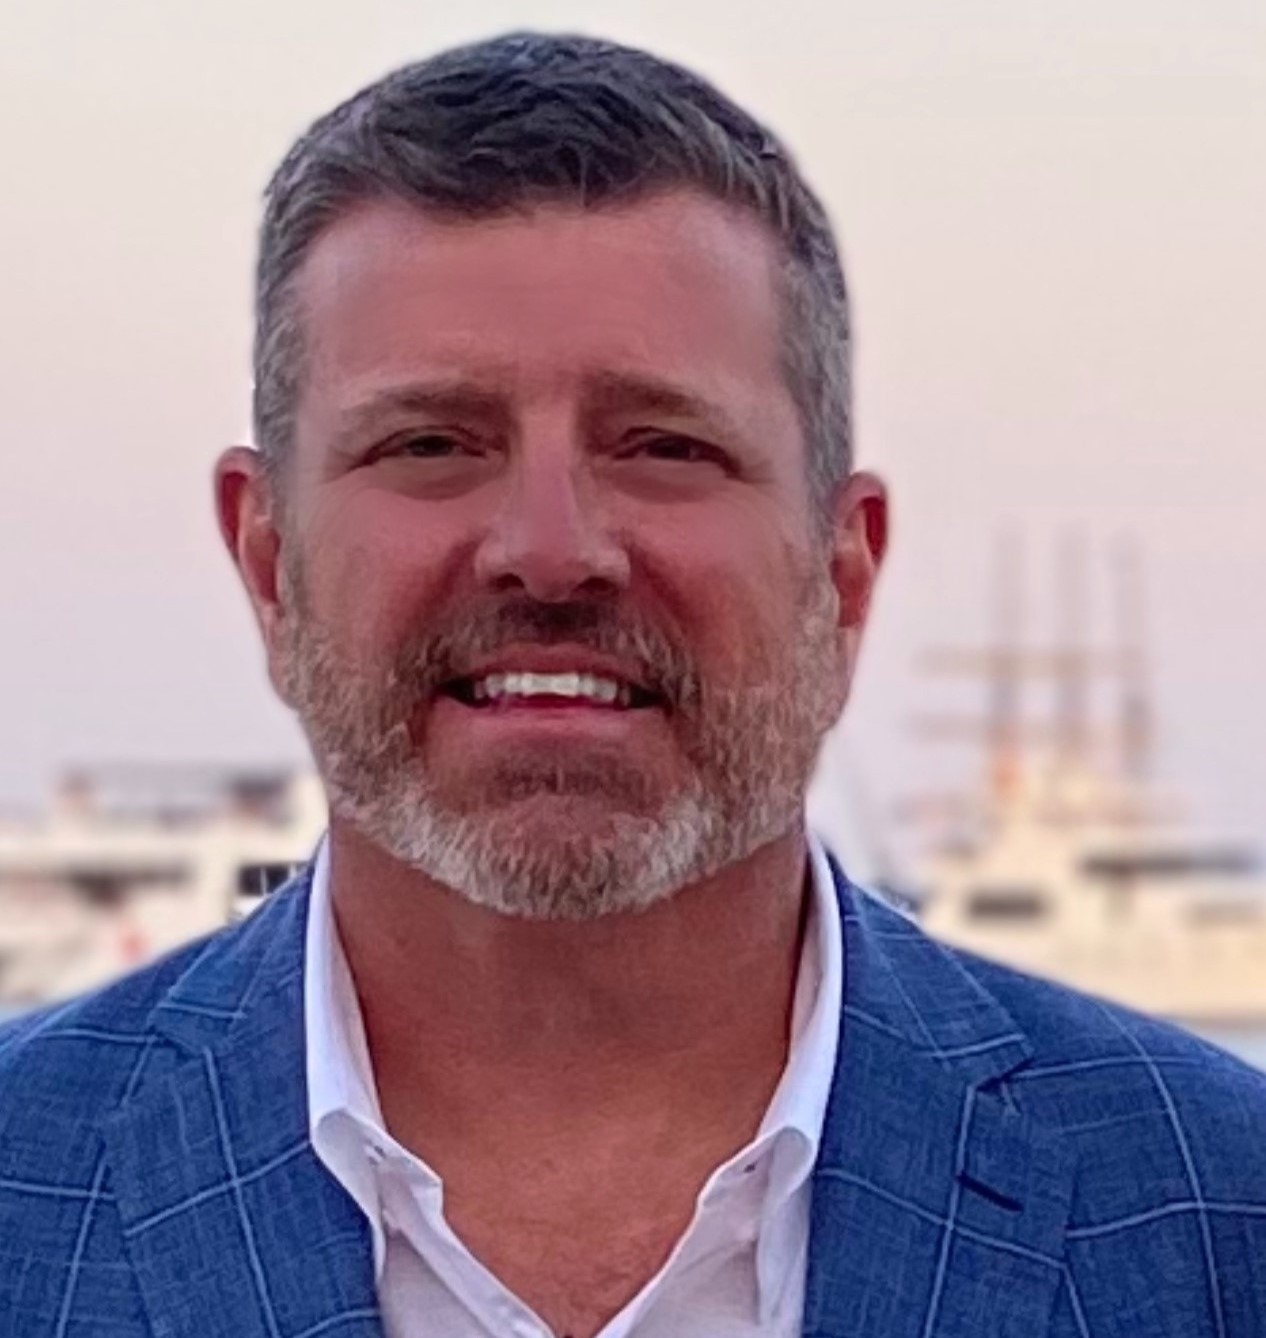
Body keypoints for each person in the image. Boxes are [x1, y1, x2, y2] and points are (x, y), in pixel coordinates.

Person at [1, 31, 1263, 1338]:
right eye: (431, 443)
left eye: (661, 445)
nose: (551, 550)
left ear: (841, 577)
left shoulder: (1219, 1218)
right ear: (270, 564)